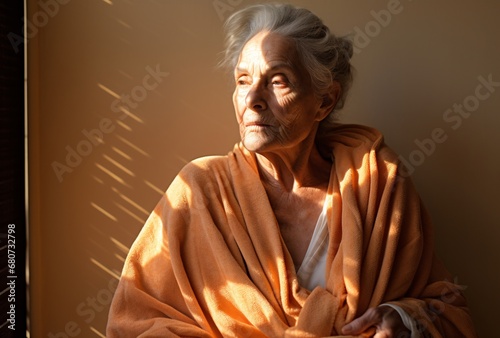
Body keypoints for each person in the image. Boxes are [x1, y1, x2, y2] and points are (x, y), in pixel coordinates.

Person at [107, 3, 477, 337]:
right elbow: (134, 323)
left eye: (277, 80)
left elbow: (445, 307)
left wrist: (404, 317)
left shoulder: (379, 185)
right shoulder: (199, 192)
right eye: (242, 81)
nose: (253, 100)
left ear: (325, 101)